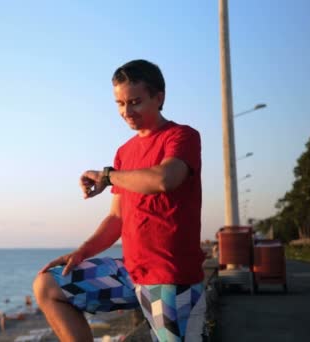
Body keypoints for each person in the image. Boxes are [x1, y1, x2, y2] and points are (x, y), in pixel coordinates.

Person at [33, 59, 206, 342]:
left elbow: (165, 179)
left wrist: (110, 176)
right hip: (129, 272)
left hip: (170, 278)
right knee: (48, 285)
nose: (127, 112)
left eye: (135, 102)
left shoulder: (181, 136)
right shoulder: (124, 152)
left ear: (159, 97)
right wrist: (82, 252)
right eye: (120, 103)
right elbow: (117, 218)